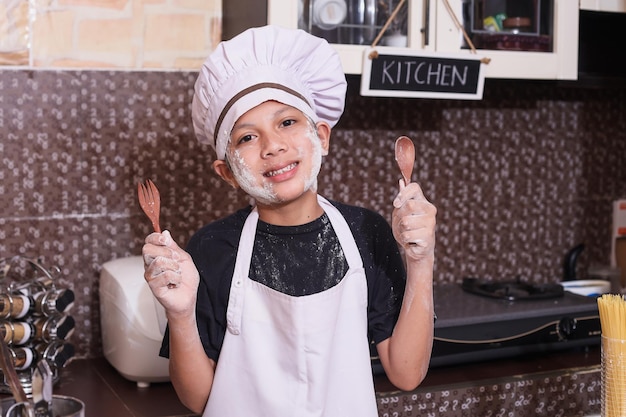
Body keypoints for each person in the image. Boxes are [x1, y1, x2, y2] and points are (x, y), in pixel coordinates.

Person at [142, 25, 436, 417]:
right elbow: (199, 399)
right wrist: (179, 315)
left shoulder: (367, 232)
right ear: (227, 172)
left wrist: (421, 261)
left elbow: (406, 373)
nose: (273, 146)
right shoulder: (212, 248)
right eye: (247, 137)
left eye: (286, 123)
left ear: (322, 137)